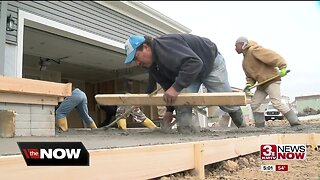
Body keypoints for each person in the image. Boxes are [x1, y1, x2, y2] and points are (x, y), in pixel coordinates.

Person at [123, 34, 247, 134]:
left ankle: (243, 127)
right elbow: (169, 88)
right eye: (134, 60)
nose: (137, 63)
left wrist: (176, 88)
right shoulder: (153, 66)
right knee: (182, 102)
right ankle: (187, 134)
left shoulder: (167, 47)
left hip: (210, 63)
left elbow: (195, 63)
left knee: (225, 100)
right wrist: (169, 110)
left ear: (146, 47)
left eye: (136, 57)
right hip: (189, 71)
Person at [234, 36, 301, 127]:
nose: (235, 48)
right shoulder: (244, 62)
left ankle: (295, 122)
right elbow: (250, 77)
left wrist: (282, 67)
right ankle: (260, 126)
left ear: (242, 44)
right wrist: (249, 84)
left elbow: (272, 56)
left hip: (271, 80)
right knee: (254, 105)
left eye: (236, 45)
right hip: (262, 84)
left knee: (276, 102)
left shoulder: (254, 50)